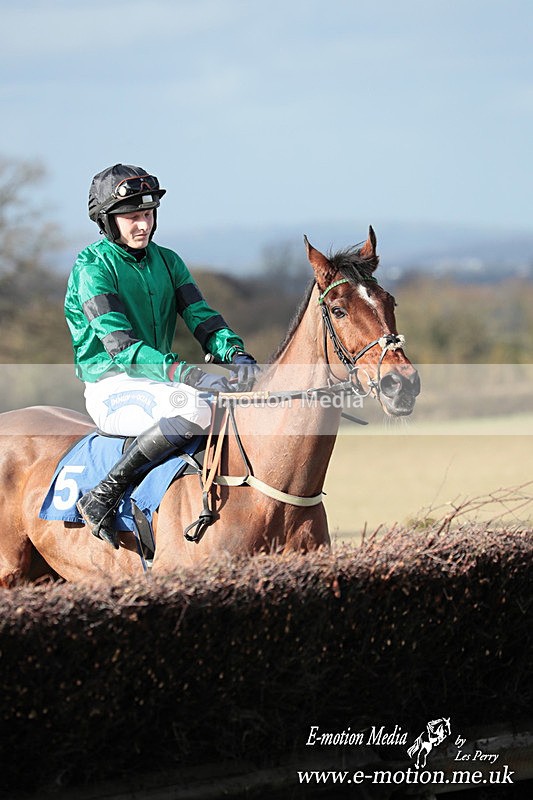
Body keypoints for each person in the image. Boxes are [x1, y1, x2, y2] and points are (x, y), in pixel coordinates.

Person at [64, 163, 258, 549]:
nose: (143, 225)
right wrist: (184, 372)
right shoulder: (92, 268)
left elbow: (202, 319)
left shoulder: (169, 261)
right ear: (107, 221)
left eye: (148, 214)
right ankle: (102, 495)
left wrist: (235, 353)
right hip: (111, 384)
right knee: (197, 407)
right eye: (132, 217)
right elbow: (122, 348)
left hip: (157, 381)